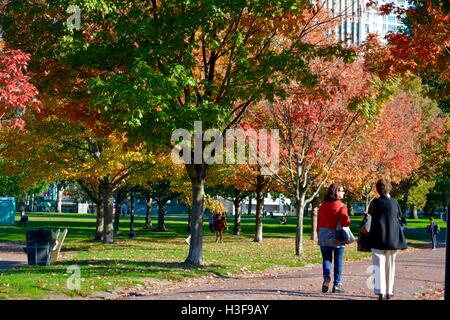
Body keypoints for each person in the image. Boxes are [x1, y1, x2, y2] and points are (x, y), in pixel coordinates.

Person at [368, 179, 408, 300]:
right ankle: (389, 290)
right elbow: (400, 218)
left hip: (377, 238)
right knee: (390, 265)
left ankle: (381, 291)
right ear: (389, 188)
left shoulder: (374, 203)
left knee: (378, 264)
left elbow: (370, 217)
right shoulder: (395, 202)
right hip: (392, 238)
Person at [317, 183, 351, 294]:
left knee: (326, 259)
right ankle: (337, 284)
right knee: (338, 261)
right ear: (336, 192)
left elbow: (319, 221)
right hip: (337, 236)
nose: (343, 192)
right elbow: (345, 222)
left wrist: (319, 233)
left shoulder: (322, 206)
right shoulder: (341, 206)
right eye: (341, 190)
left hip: (323, 235)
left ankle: (326, 278)